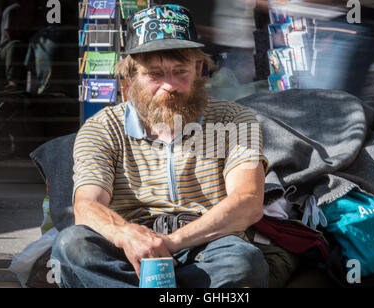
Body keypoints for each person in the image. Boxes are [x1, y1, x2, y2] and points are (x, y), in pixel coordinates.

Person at [51, 4, 270, 288]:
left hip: (207, 244)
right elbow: (86, 206)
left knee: (244, 263)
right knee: (70, 246)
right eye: (154, 74)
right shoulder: (103, 127)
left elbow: (248, 202)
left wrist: (170, 243)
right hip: (128, 249)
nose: (169, 86)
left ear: (200, 69)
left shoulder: (233, 120)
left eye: (181, 71)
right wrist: (128, 236)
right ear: (130, 78)